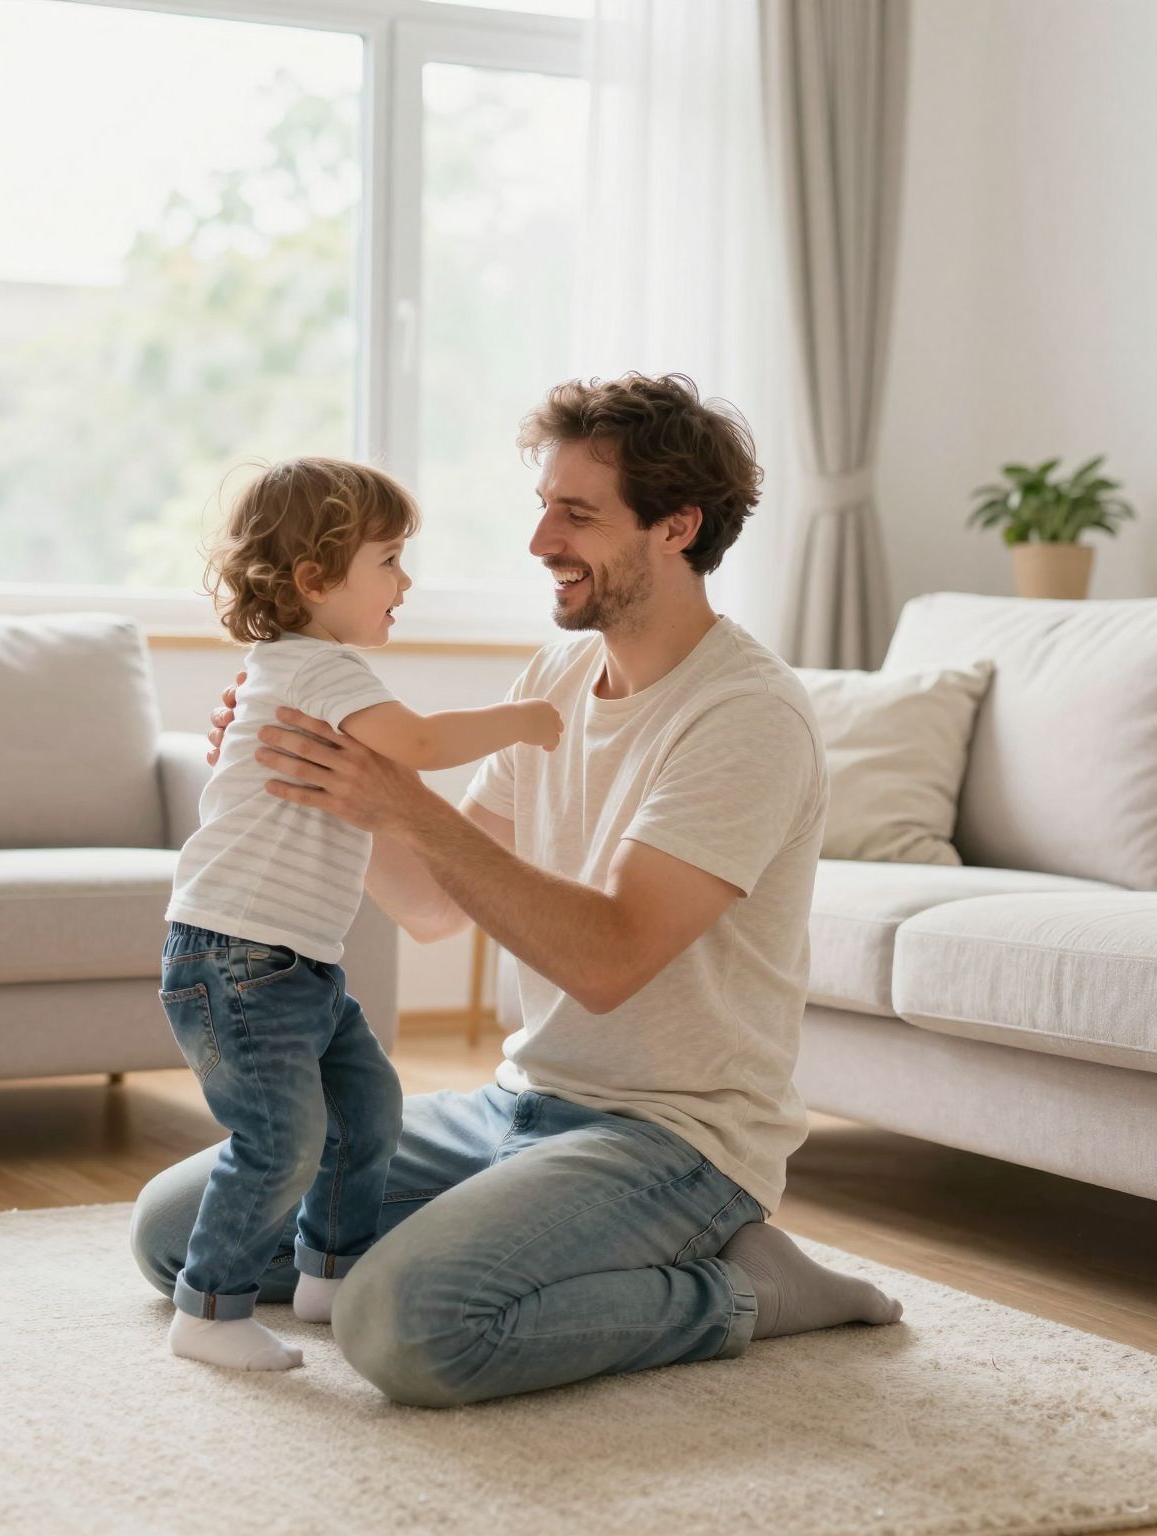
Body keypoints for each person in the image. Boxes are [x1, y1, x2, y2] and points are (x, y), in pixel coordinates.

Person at [134, 377, 900, 1405]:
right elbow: (432, 904)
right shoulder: (553, 679)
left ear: (676, 527)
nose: (540, 539)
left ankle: (742, 1289)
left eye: (576, 515)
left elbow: (606, 959)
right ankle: (517, 1237)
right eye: (542, 506)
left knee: (403, 1324)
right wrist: (312, 780)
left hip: (671, 1138)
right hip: (517, 1103)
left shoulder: (743, 718)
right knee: (174, 1237)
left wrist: (399, 796)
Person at [160, 456, 563, 1373]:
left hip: (293, 964)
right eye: (388, 560)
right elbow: (417, 744)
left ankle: (329, 1272)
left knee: (368, 1107)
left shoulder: (295, 669)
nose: (406, 582)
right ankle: (210, 1311)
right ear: (313, 580)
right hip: (240, 959)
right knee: (280, 1139)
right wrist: (521, 720)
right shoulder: (318, 668)